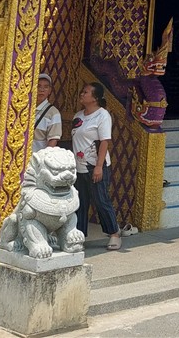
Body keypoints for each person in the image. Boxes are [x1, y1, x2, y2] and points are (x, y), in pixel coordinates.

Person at [70, 82, 121, 250]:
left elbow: (104, 141)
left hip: (95, 165)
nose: (82, 94)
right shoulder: (78, 115)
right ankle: (79, 235)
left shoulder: (102, 115)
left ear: (95, 98)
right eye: (82, 91)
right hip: (79, 165)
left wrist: (99, 166)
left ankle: (113, 233)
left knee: (100, 200)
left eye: (86, 92)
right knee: (80, 201)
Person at [32, 73, 62, 154]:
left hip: (37, 157)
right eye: (38, 86)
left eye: (46, 87)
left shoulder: (53, 113)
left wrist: (43, 157)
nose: (41, 90)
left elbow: (53, 140)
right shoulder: (26, 107)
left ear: (49, 91)